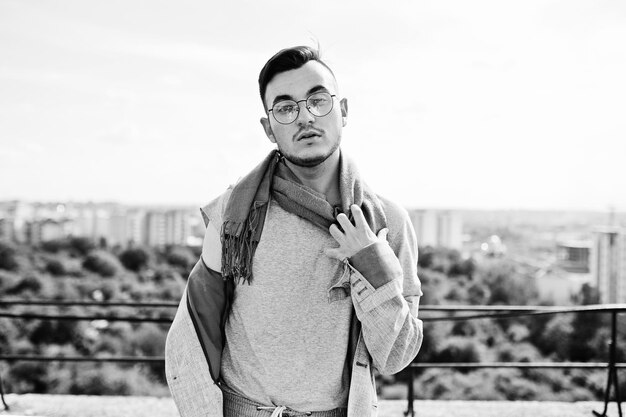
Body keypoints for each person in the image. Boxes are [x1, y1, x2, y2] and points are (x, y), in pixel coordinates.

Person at [165, 45, 424, 417]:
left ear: (343, 111)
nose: (305, 117)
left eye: (318, 100)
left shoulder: (386, 223)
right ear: (269, 128)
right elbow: (193, 331)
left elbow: (396, 356)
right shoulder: (234, 214)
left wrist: (372, 263)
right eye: (286, 108)